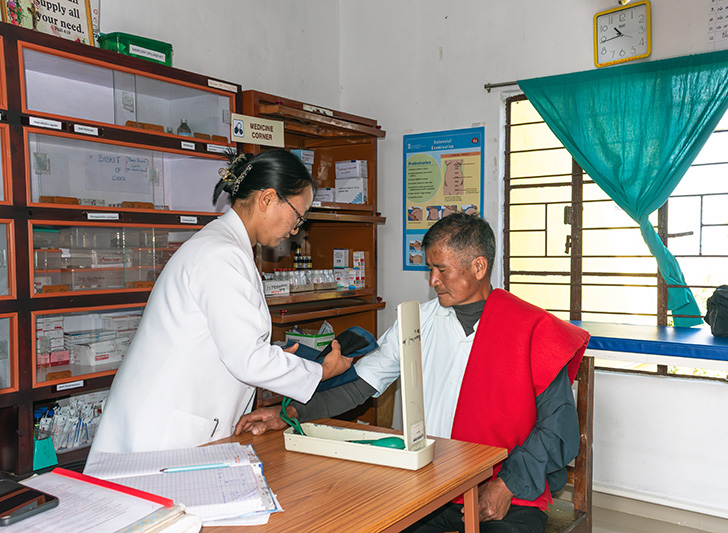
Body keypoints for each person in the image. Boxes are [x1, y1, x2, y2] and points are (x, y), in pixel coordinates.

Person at [235, 212, 590, 533]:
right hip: (430, 482)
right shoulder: (417, 321)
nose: (432, 280)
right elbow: (361, 384)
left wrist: (506, 485)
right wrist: (292, 413)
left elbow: (558, 428)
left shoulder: (530, 329)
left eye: (441, 269)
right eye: (428, 269)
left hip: (505, 489)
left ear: (479, 267)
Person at [90, 150, 351, 456]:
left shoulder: (226, 248)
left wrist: (274, 354)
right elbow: (247, 360)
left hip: (180, 420)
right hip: (162, 432)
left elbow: (225, 341)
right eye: (298, 215)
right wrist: (320, 372)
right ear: (267, 199)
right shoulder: (220, 255)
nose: (295, 229)